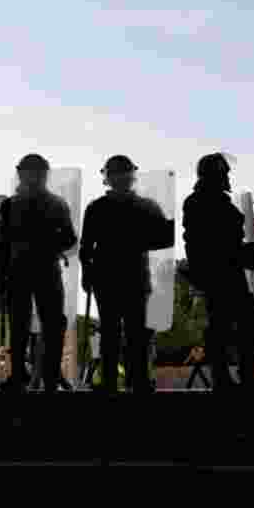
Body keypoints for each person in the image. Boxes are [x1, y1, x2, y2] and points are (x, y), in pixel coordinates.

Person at [80, 155, 172, 395]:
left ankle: (114, 381)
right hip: (129, 277)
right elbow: (86, 246)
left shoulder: (97, 207)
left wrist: (87, 274)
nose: (120, 178)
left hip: (113, 277)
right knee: (131, 333)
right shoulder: (144, 206)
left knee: (117, 332)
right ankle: (136, 380)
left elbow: (86, 247)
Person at [182, 153, 254, 393]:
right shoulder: (198, 202)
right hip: (218, 274)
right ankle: (224, 377)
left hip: (231, 273)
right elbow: (207, 243)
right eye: (223, 173)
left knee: (245, 325)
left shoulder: (219, 201)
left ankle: (242, 375)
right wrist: (238, 253)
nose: (227, 177)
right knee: (223, 327)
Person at [0, 154, 77, 394]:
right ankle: (46, 377)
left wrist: (2, 275)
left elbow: (3, 245)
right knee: (45, 325)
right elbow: (69, 239)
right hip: (41, 269)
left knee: (25, 326)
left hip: (24, 269)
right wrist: (51, 243)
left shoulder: (11, 204)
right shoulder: (55, 203)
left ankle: (24, 377)